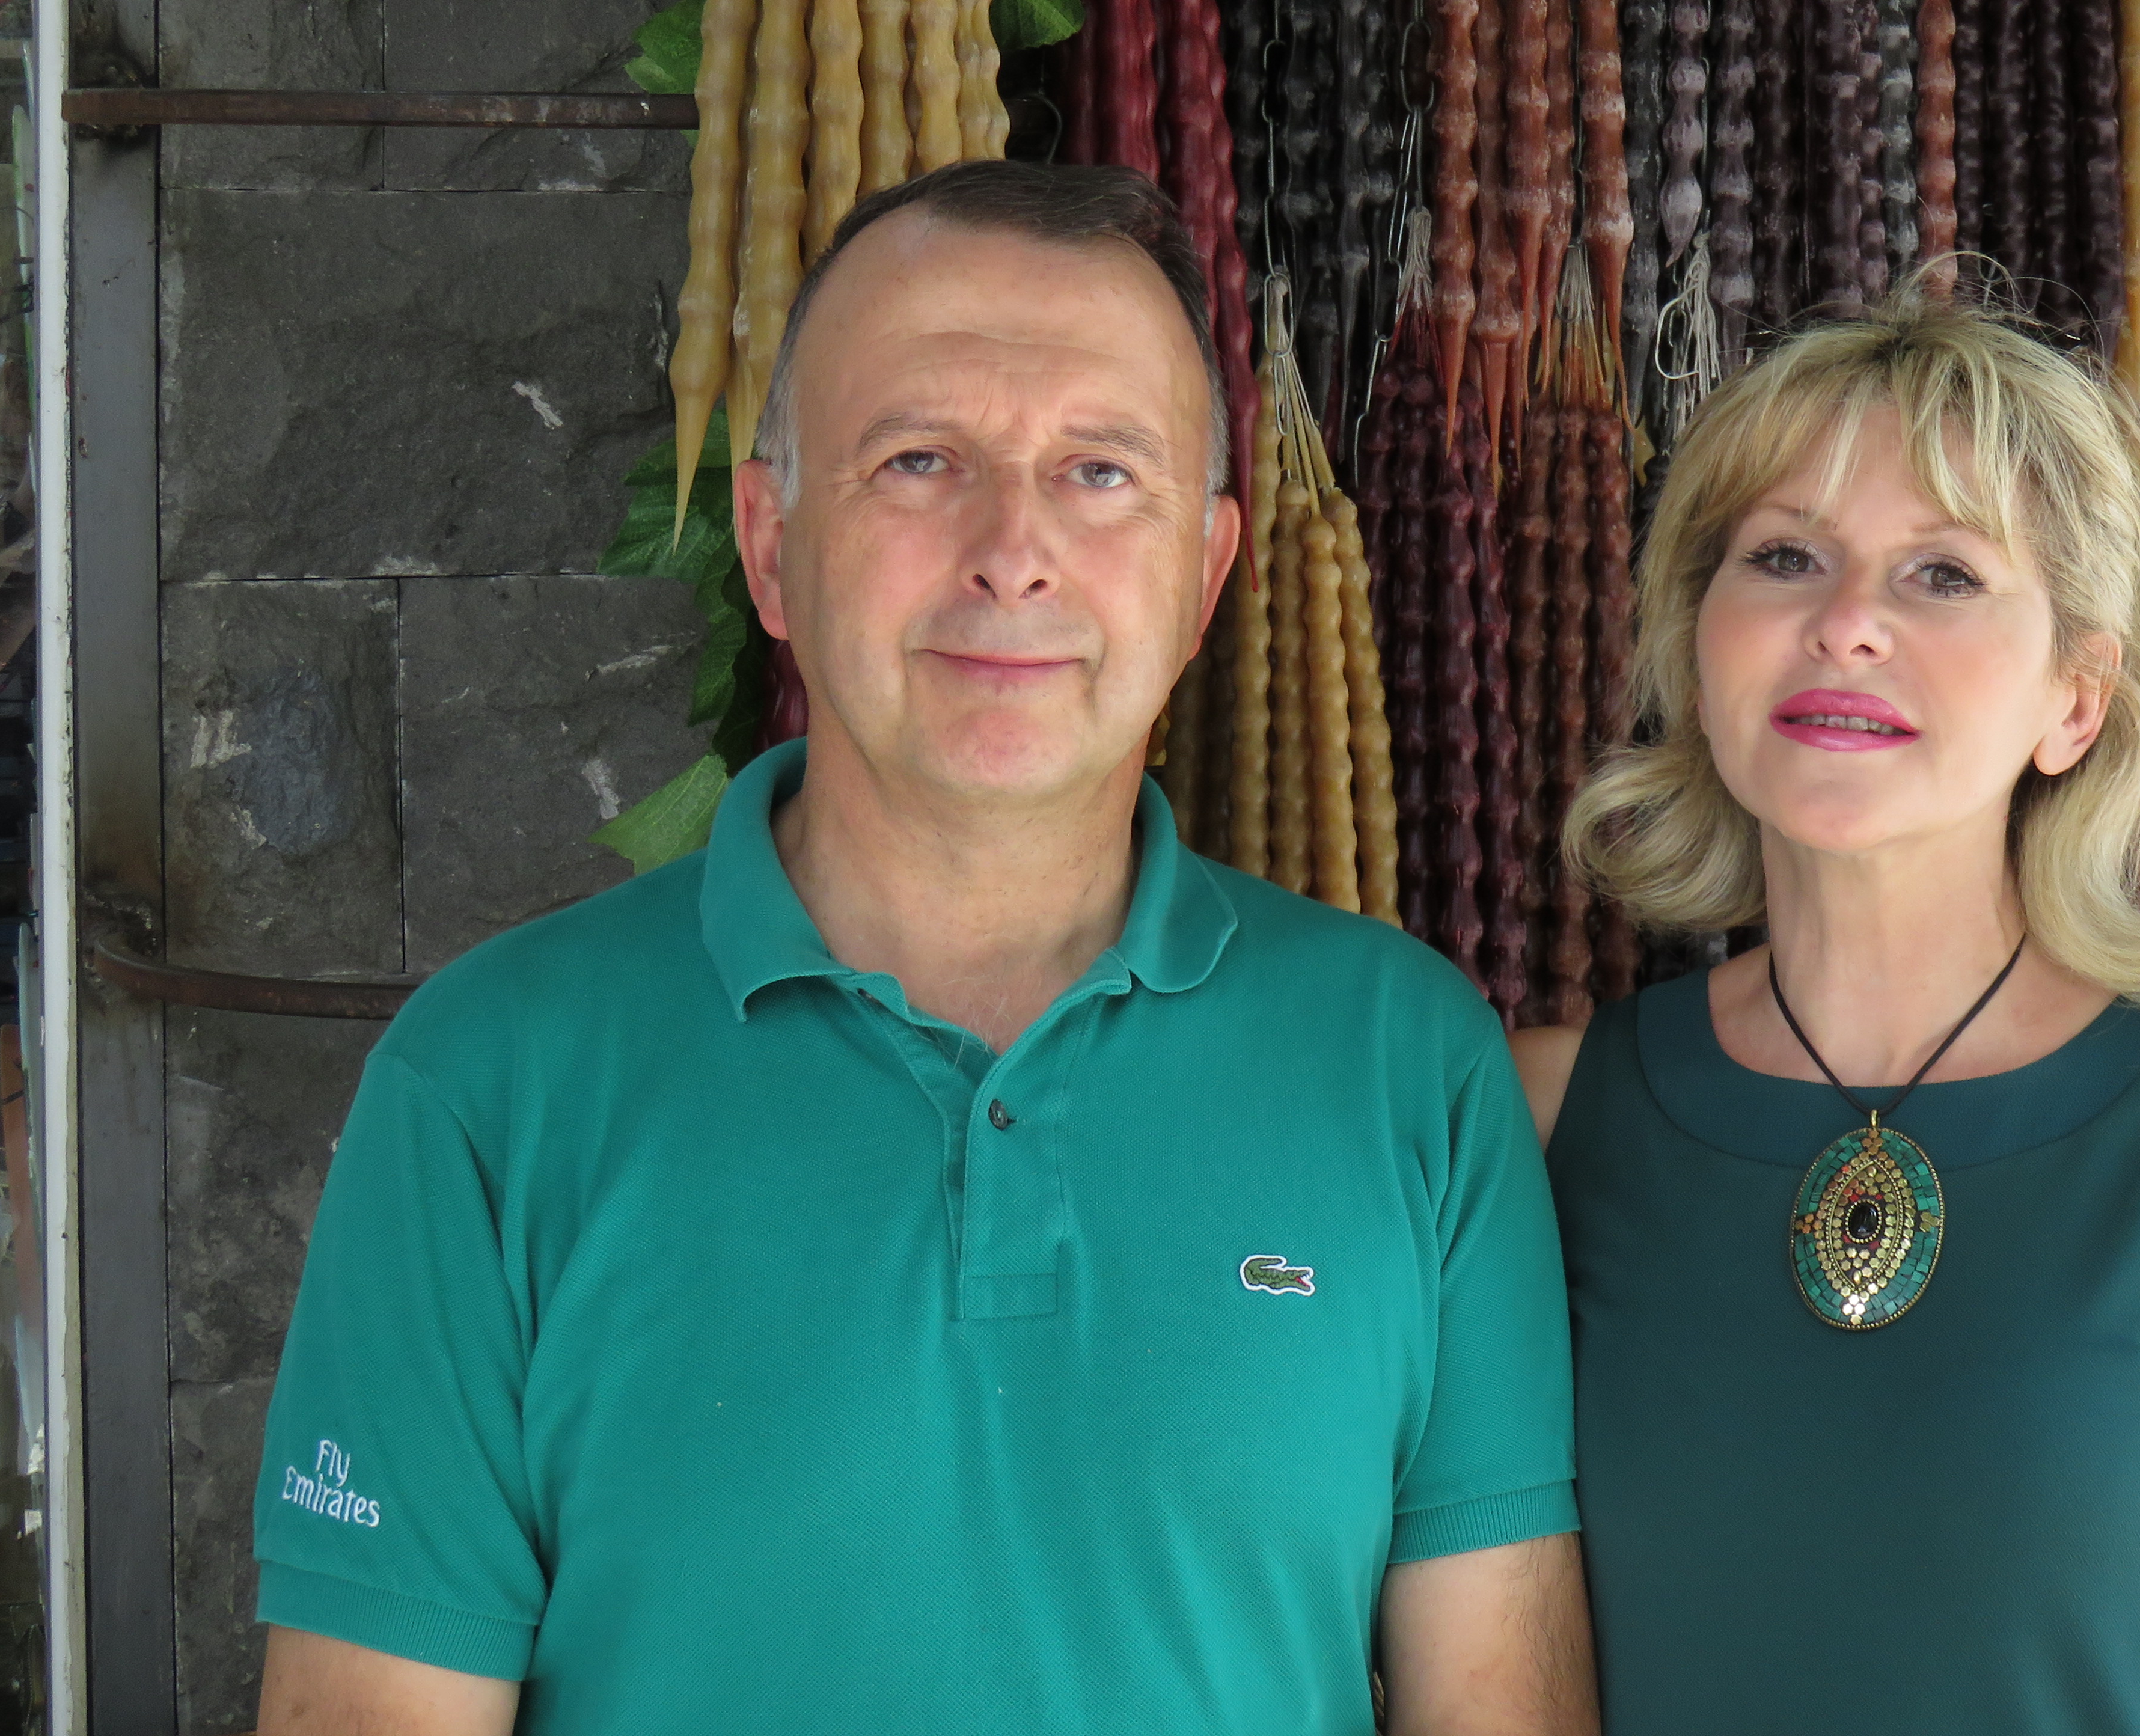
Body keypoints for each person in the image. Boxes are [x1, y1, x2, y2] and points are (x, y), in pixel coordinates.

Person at [253, 164, 1594, 1736]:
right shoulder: (489, 1084)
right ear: (769, 545)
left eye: (1101, 472)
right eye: (917, 460)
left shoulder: (1406, 1068)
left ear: (1206, 575)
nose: (1011, 551)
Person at [1514, 291, 2140, 1736]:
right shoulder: (1551, 1122)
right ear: (1700, 645)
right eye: (1783, 558)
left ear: (2078, 700)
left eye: (1942, 576)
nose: (1846, 625)